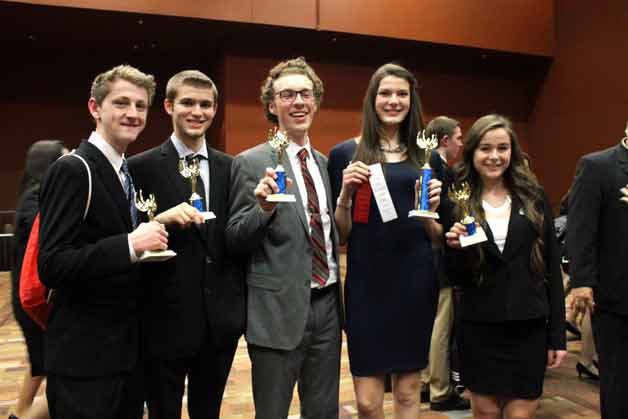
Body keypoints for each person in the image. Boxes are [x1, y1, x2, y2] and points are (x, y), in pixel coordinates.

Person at [37, 65, 168, 419]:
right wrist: (129, 245)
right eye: (122, 103)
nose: (133, 114)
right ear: (95, 108)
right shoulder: (73, 170)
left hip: (124, 355)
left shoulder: (124, 171)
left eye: (140, 106)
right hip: (85, 361)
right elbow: (52, 264)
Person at [227, 57, 342, 419]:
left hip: (327, 307)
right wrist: (262, 209)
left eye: (305, 94)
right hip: (276, 312)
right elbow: (234, 238)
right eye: (287, 94)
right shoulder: (250, 162)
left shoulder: (325, 165)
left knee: (324, 412)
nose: (298, 102)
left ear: (316, 101)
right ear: (272, 105)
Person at [128, 70, 245, 419]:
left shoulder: (231, 167)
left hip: (219, 323)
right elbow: (126, 234)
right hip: (163, 321)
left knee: (208, 413)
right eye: (188, 103)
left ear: (215, 110)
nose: (198, 111)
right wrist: (159, 219)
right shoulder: (139, 167)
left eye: (206, 104)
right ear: (168, 106)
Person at [329, 63, 441, 418]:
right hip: (366, 283)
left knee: (409, 394)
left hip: (415, 281)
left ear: (412, 100)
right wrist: (345, 194)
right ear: (372, 100)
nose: (394, 101)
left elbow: (438, 237)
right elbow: (342, 234)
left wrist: (432, 214)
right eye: (385, 93)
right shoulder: (345, 154)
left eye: (402, 94)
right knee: (367, 402)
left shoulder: (430, 157)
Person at [445, 114, 566, 419]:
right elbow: (455, 276)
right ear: (472, 152)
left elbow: (551, 266)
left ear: (512, 152)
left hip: (528, 326)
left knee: (520, 414)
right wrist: (455, 249)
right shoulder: (458, 201)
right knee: (484, 412)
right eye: (485, 148)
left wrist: (557, 337)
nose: (494, 156)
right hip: (479, 325)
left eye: (502, 148)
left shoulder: (534, 196)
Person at [567, 123, 628, 419]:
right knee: (618, 384)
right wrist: (582, 282)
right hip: (617, 297)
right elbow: (581, 230)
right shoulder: (598, 166)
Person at [10, 140, 67, 419]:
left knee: (41, 365)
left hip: (32, 297)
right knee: (62, 377)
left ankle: (19, 412)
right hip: (35, 299)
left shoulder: (36, 194)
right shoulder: (36, 198)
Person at [420, 116, 470, 412]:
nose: (462, 144)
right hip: (439, 257)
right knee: (441, 325)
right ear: (445, 140)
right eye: (459, 138)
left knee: (431, 323)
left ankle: (428, 381)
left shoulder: (428, 165)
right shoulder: (438, 170)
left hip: (428, 259)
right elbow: (444, 216)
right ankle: (440, 390)